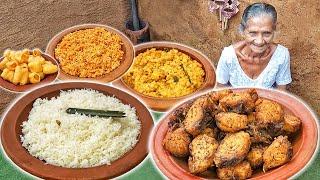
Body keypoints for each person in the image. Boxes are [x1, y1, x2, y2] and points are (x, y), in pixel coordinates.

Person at [216, 3, 292, 90]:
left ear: (274, 31)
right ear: (243, 31)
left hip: (268, 102)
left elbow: (281, 94)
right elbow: (219, 91)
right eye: (253, 33)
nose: (259, 41)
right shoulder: (229, 55)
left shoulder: (282, 55)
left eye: (266, 33)